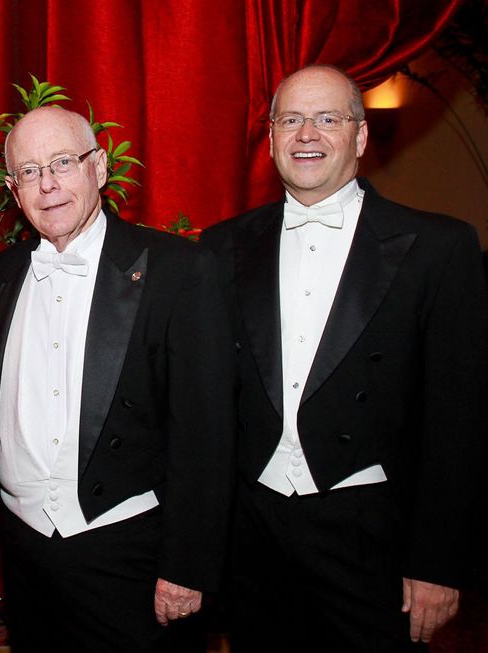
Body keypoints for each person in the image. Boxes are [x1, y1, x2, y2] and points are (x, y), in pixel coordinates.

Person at [202, 64, 488, 652]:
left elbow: (460, 421)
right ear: (272, 137)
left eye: (327, 119)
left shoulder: (439, 248)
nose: (307, 134)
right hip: (254, 535)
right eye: (291, 120)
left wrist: (437, 562)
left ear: (359, 137)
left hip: (373, 538)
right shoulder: (221, 246)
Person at [0, 106, 236, 653]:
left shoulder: (179, 271)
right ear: (12, 189)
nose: (47, 184)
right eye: (28, 171)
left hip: (131, 558)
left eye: (63, 162)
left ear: (98, 168)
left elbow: (207, 433)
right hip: (24, 553)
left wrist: (187, 567)